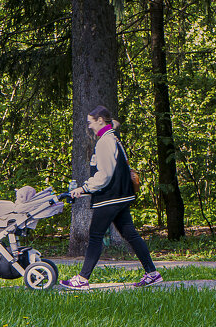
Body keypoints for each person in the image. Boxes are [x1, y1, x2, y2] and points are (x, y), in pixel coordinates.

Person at [60, 105, 163, 290]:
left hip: (109, 197)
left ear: (100, 121)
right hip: (121, 196)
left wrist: (83, 188)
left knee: (95, 236)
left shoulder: (105, 143)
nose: (89, 126)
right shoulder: (112, 137)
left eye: (90, 122)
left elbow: (105, 175)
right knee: (130, 234)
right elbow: (114, 123)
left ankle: (82, 279)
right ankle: (152, 273)